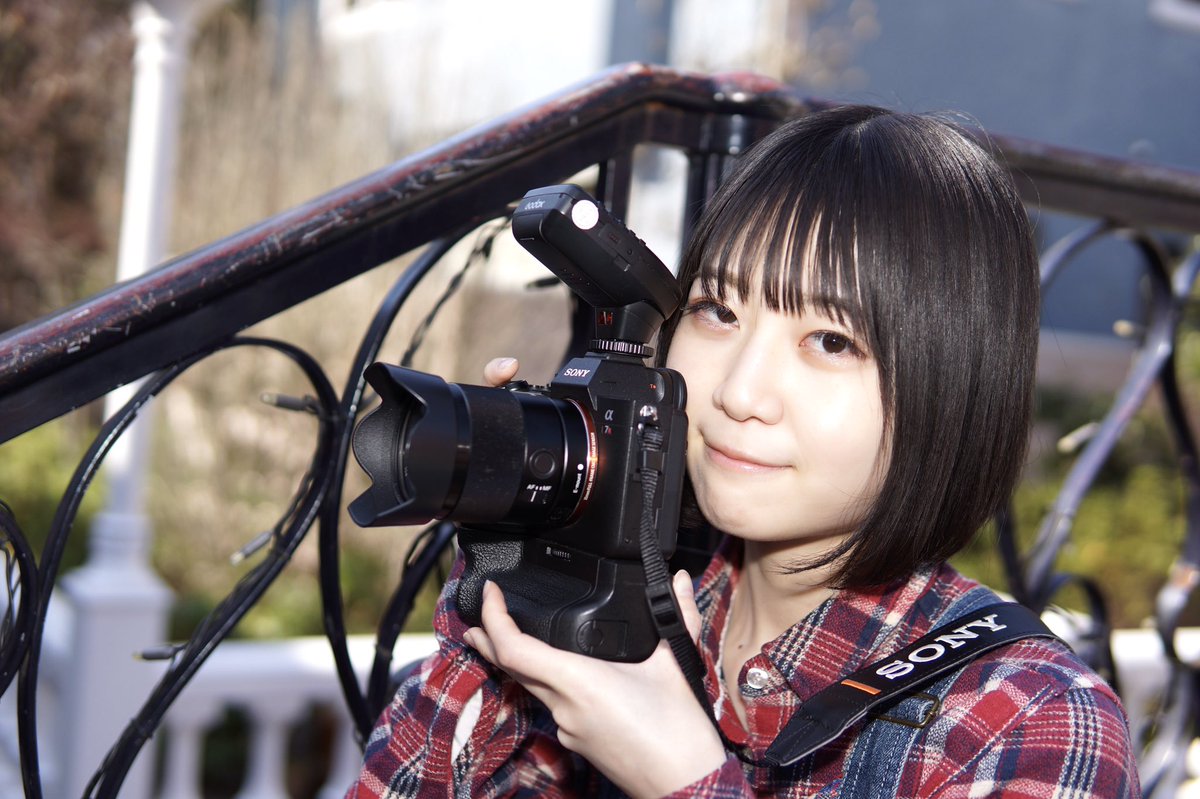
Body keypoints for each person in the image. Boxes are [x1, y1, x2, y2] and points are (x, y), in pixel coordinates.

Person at [347, 104, 1141, 798]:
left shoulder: (1027, 717)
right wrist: (507, 577)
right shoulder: (634, 596)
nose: (739, 391)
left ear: (955, 389)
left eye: (830, 340)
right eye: (717, 311)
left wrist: (682, 777)